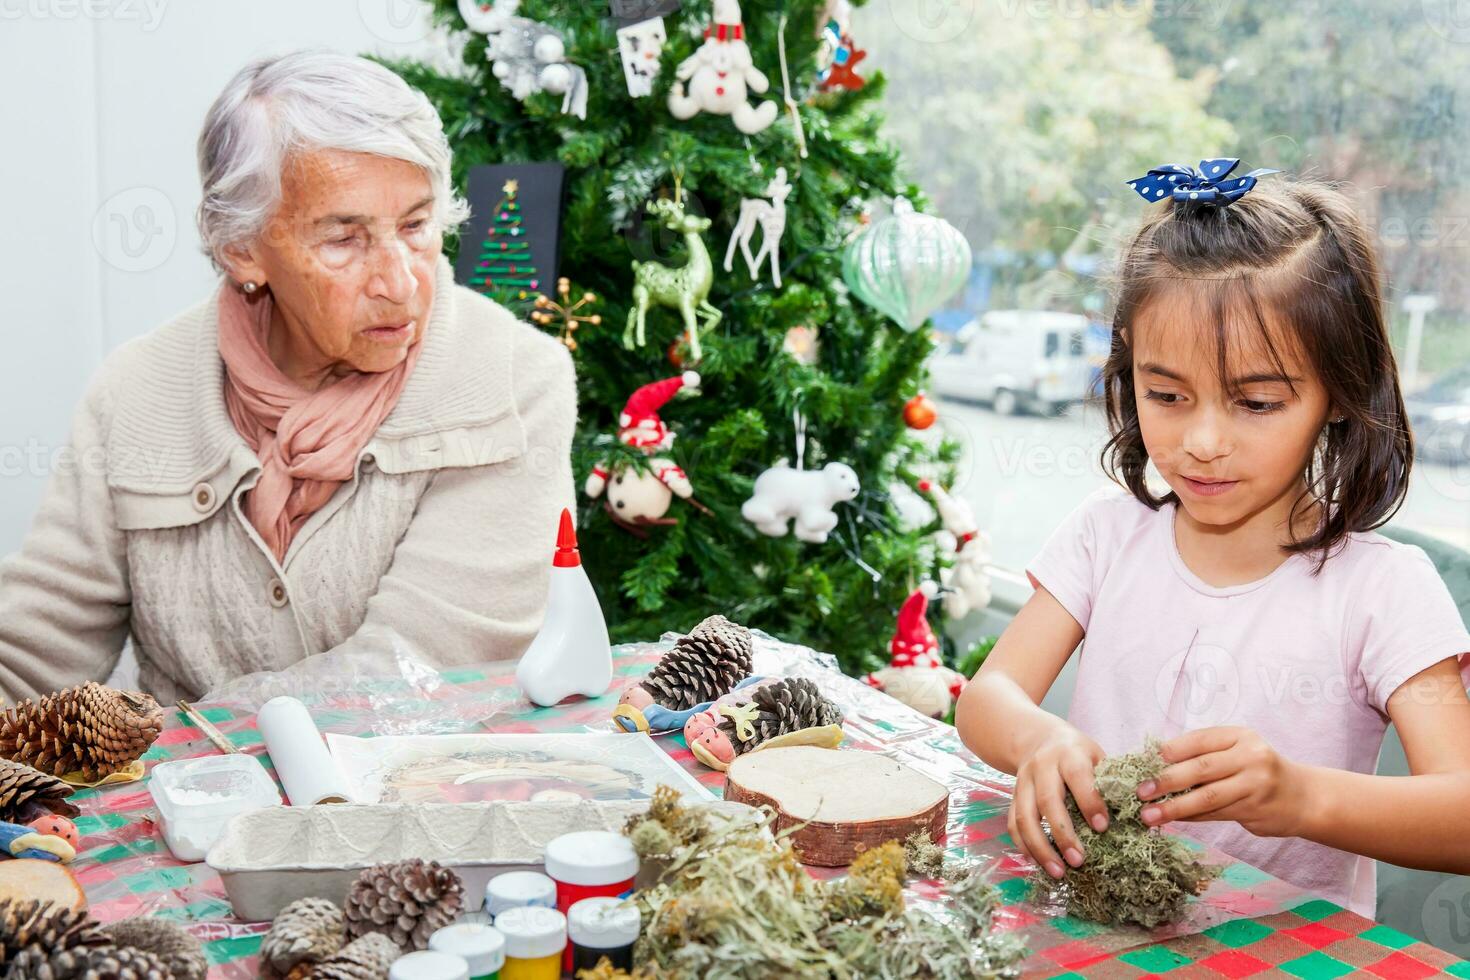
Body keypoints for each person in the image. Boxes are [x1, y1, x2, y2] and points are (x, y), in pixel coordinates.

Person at [955, 161, 1470, 918]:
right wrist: (1037, 740)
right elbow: (986, 699)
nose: (1200, 441)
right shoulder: (1107, 533)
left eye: (1256, 402)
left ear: (1338, 390)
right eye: (1164, 394)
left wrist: (1299, 797)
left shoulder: (1386, 591)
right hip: (1101, 929)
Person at [0, 50, 578, 704]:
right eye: (344, 240)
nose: (400, 283)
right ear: (241, 247)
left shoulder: (513, 382)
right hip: (191, 804)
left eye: (416, 226)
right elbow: (28, 660)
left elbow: (419, 675)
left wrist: (169, 745)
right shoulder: (134, 393)